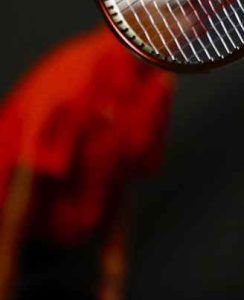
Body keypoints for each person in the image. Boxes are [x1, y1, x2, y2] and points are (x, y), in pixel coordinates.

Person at [0, 24, 175, 300]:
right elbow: (25, 175)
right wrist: (5, 276)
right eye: (175, 10)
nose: (187, 26)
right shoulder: (80, 72)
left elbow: (120, 183)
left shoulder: (158, 87)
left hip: (65, 253)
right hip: (15, 240)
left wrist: (112, 278)